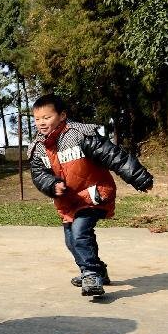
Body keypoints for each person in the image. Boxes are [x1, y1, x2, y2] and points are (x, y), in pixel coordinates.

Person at [28, 94, 153, 296]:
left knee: (79, 233)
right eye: (37, 119)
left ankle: (91, 273)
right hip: (69, 202)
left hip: (94, 194)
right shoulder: (38, 147)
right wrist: (52, 185)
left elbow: (114, 156)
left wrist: (139, 178)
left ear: (62, 116)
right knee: (72, 240)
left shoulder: (80, 135)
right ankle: (97, 270)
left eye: (47, 117)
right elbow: (39, 175)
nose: (41, 123)